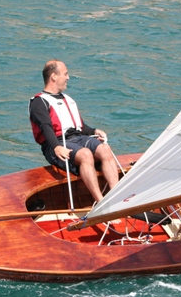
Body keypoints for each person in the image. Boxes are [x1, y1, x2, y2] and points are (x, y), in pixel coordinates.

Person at [29, 59, 119, 202]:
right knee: (85, 154)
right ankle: (101, 202)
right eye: (65, 74)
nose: (68, 77)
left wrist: (94, 130)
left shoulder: (68, 99)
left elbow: (81, 127)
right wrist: (57, 147)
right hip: (56, 143)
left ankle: (117, 198)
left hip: (77, 138)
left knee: (105, 149)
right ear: (54, 76)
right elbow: (46, 127)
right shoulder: (39, 102)